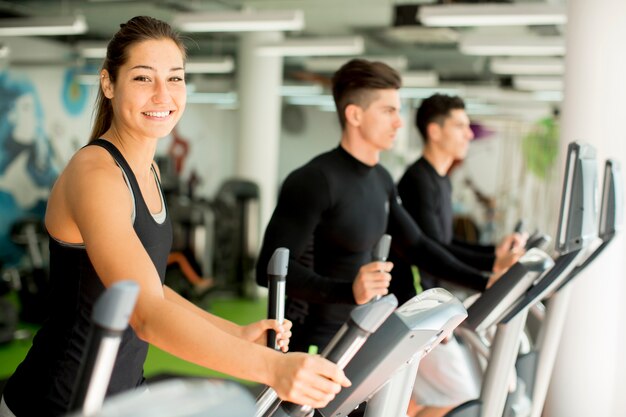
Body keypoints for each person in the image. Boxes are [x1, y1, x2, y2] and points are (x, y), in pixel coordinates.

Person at [0, 16, 349, 417]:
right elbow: (146, 312)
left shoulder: (147, 170)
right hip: (58, 400)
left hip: (123, 391)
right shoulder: (95, 174)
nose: (163, 94)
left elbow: (152, 287)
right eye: (143, 78)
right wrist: (274, 368)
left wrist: (234, 332)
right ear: (109, 84)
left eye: (176, 78)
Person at [255, 59, 520, 416]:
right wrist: (347, 290)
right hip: (315, 343)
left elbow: (421, 246)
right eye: (388, 111)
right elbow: (268, 270)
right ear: (355, 115)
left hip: (364, 334)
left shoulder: (380, 179)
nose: (399, 121)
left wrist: (487, 279)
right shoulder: (314, 180)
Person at [396, 94, 526, 417]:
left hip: (433, 304)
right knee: (460, 399)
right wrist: (486, 274)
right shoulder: (417, 180)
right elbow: (429, 250)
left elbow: (445, 241)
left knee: (437, 399)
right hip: (414, 306)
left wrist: (493, 256)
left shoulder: (439, 180)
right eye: (461, 126)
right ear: (434, 131)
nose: (469, 134)